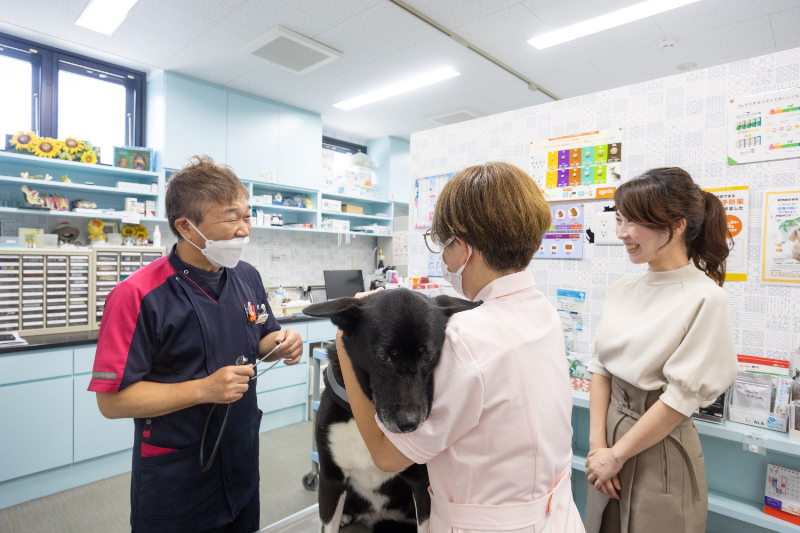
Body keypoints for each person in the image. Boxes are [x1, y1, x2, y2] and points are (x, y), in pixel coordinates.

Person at [336, 162, 585, 533]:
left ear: (463, 246)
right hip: (557, 517)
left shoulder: (465, 336)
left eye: (444, 245)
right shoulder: (542, 310)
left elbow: (388, 456)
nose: (445, 258)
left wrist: (347, 340)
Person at [89, 156, 304, 533]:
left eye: (247, 217)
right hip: (176, 477)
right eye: (230, 217)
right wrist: (205, 389)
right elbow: (111, 401)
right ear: (186, 226)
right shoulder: (137, 295)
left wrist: (282, 343)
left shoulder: (246, 276)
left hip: (240, 460)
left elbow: (262, 338)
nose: (243, 231)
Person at [583, 167, 738, 533]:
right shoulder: (622, 288)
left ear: (677, 225)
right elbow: (600, 368)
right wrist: (598, 448)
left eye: (633, 222)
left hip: (659, 445)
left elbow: (680, 398)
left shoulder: (706, 299)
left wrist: (615, 455)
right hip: (606, 440)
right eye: (620, 219)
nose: (622, 233)